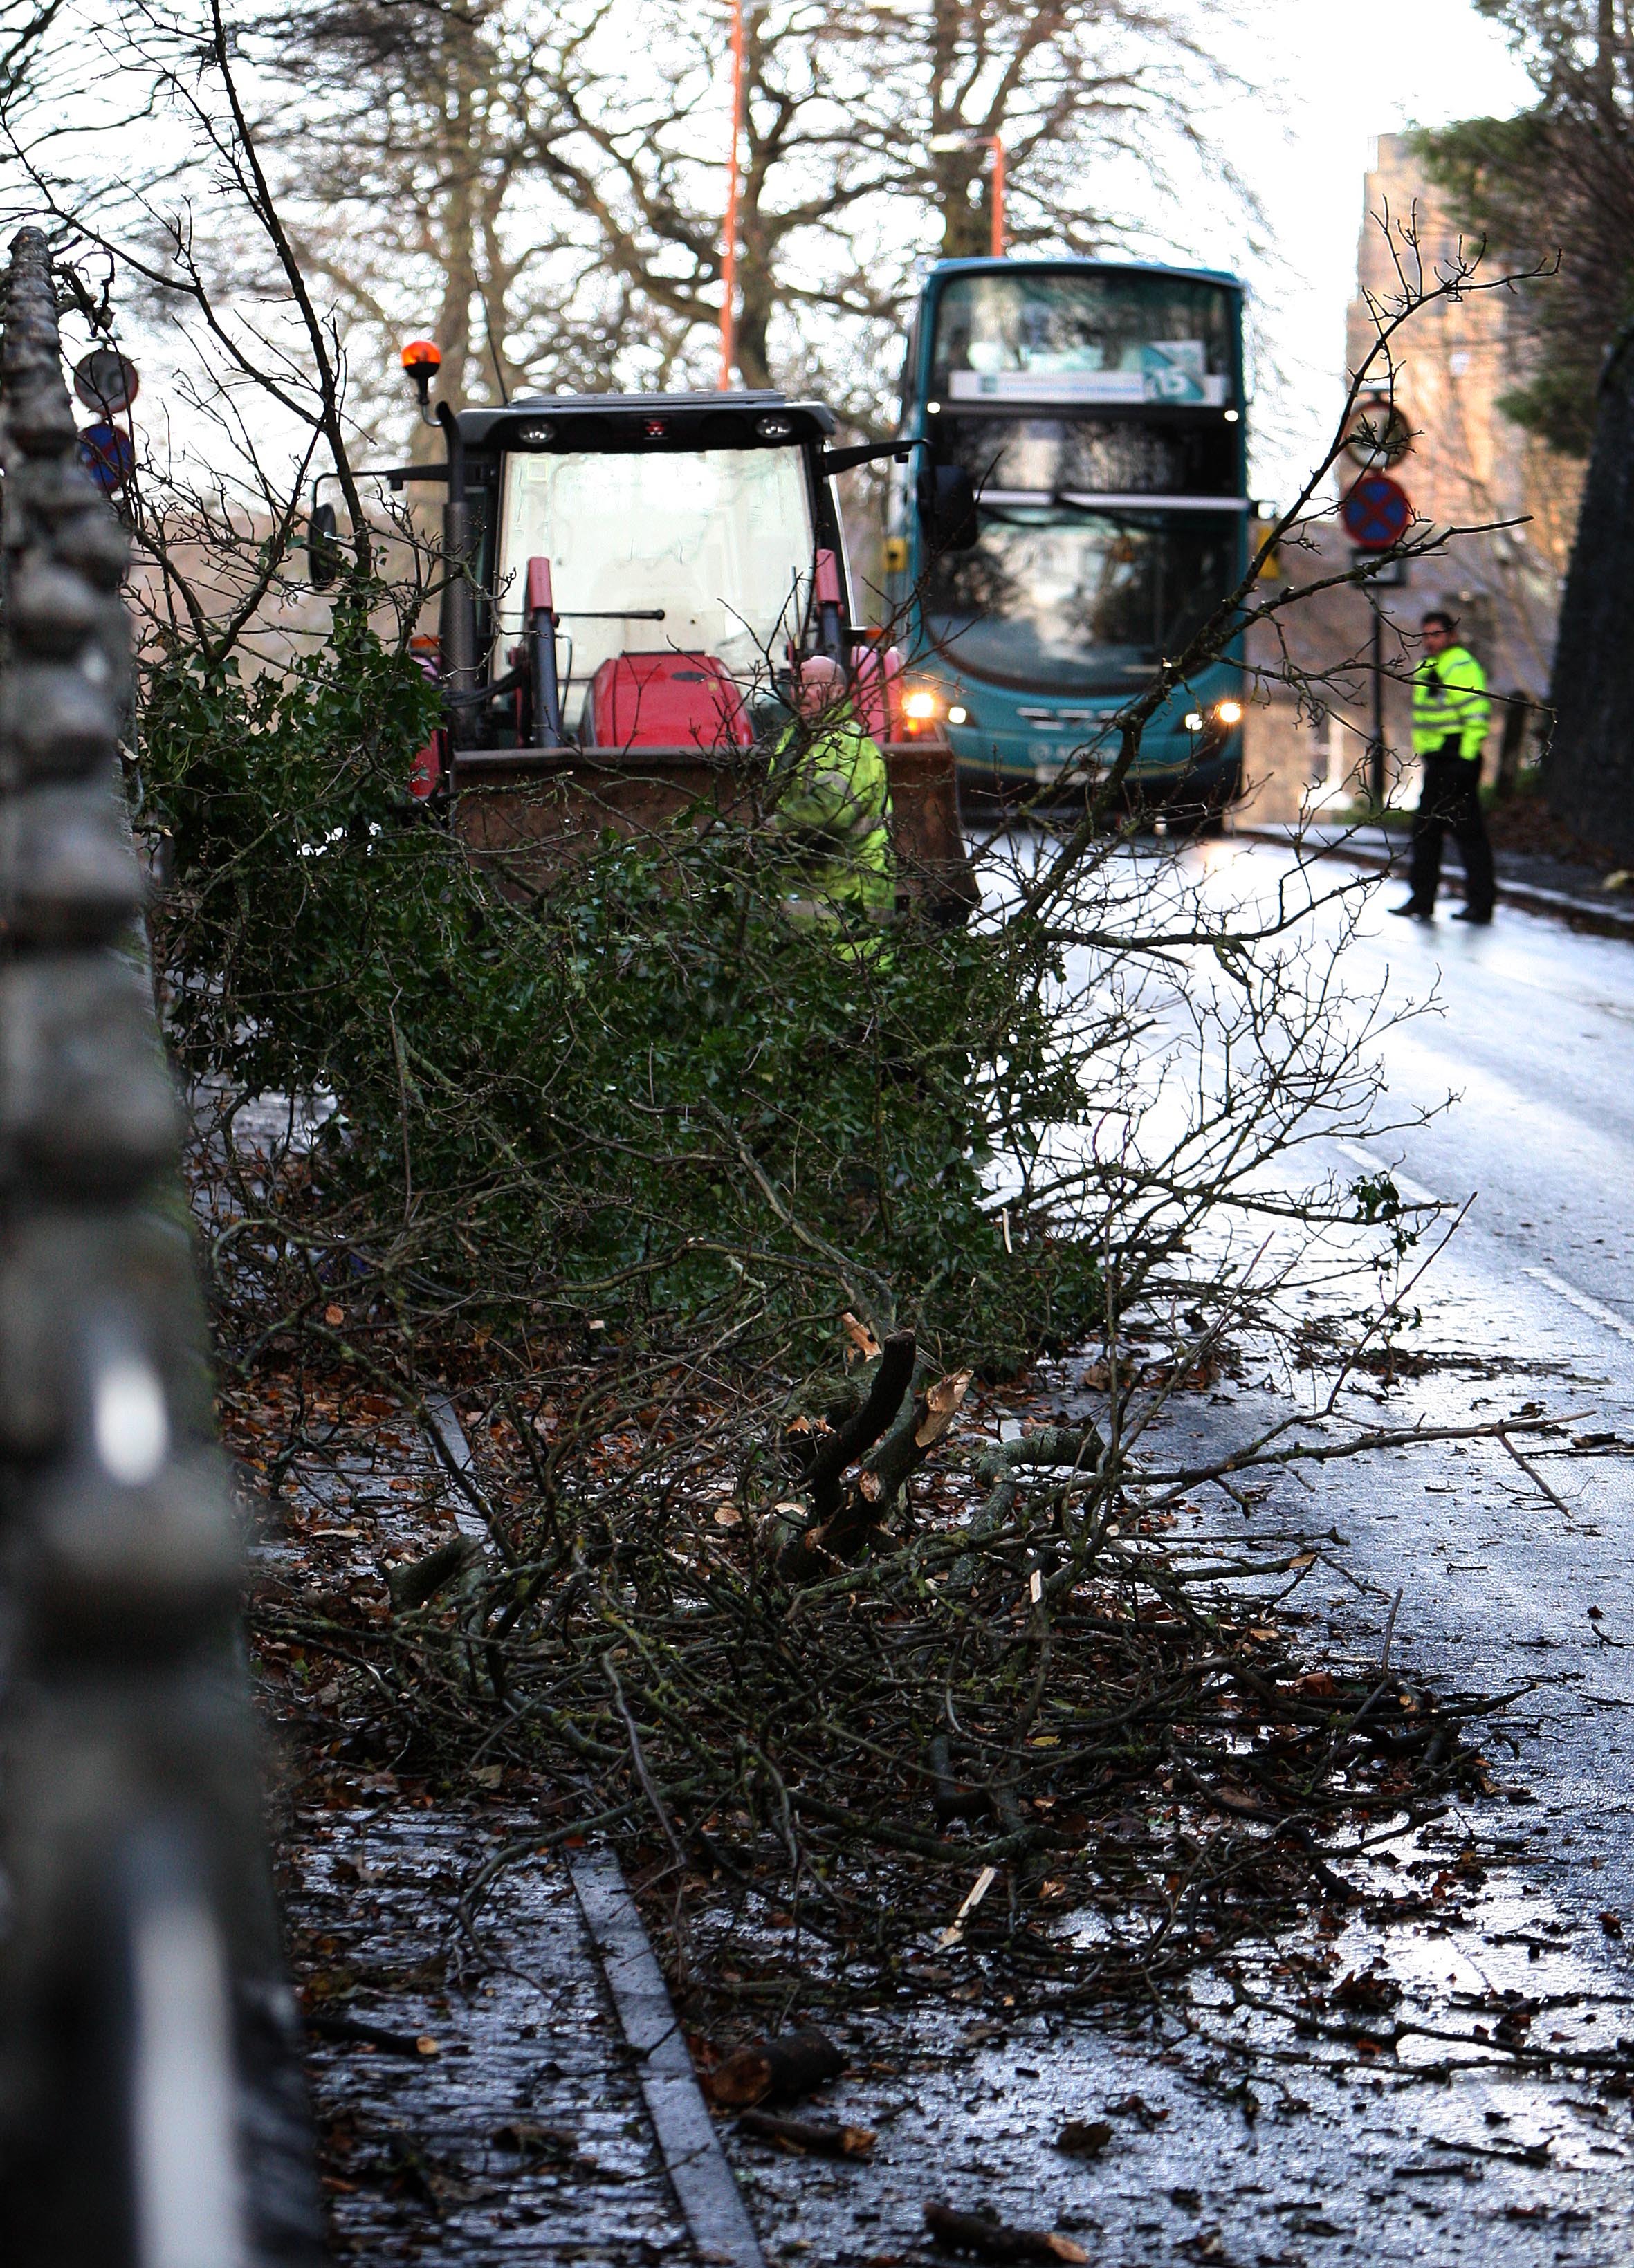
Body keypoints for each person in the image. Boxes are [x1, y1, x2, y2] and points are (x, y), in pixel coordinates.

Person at [767, 654, 894, 941]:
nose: (799, 692)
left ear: (838, 692)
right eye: (796, 684)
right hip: (815, 896)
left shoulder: (847, 743)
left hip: (849, 902)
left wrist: (773, 829)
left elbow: (833, 808)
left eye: (811, 684)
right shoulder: (795, 739)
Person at [1390, 608, 1496, 925]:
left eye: (1436, 634)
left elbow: (1476, 716)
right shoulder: (1428, 666)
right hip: (1439, 760)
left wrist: (1465, 758)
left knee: (1462, 833)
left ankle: (1473, 903)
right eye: (1426, 634)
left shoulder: (1461, 666)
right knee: (1429, 831)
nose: (1430, 641)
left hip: (1456, 758)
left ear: (1451, 636)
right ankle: (1427, 900)